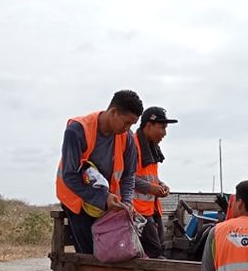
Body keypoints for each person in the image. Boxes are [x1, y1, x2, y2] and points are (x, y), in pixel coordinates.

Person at [55, 90, 143, 254]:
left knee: (114, 250)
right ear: (113, 112)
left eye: (131, 125)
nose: (127, 129)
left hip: (107, 203)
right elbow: (70, 175)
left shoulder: (128, 138)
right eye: (126, 123)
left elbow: (128, 176)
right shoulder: (78, 130)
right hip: (77, 199)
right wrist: (104, 198)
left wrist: (128, 201)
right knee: (90, 253)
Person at [133, 106, 177, 258]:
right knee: (155, 252)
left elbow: (148, 176)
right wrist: (151, 188)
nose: (164, 133)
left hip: (151, 209)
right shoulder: (133, 145)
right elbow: (126, 178)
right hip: (136, 210)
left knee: (159, 249)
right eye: (162, 127)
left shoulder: (151, 147)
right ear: (149, 125)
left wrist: (161, 184)